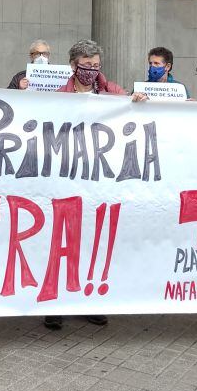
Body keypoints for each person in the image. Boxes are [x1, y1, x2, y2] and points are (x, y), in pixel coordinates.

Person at [45, 39, 129, 330]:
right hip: (67, 179)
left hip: (99, 181)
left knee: (93, 241)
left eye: (96, 65)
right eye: (86, 64)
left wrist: (139, 102)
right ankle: (55, 305)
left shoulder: (113, 93)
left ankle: (91, 300)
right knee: (61, 240)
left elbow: (134, 107)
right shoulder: (59, 95)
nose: (91, 70)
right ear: (73, 65)